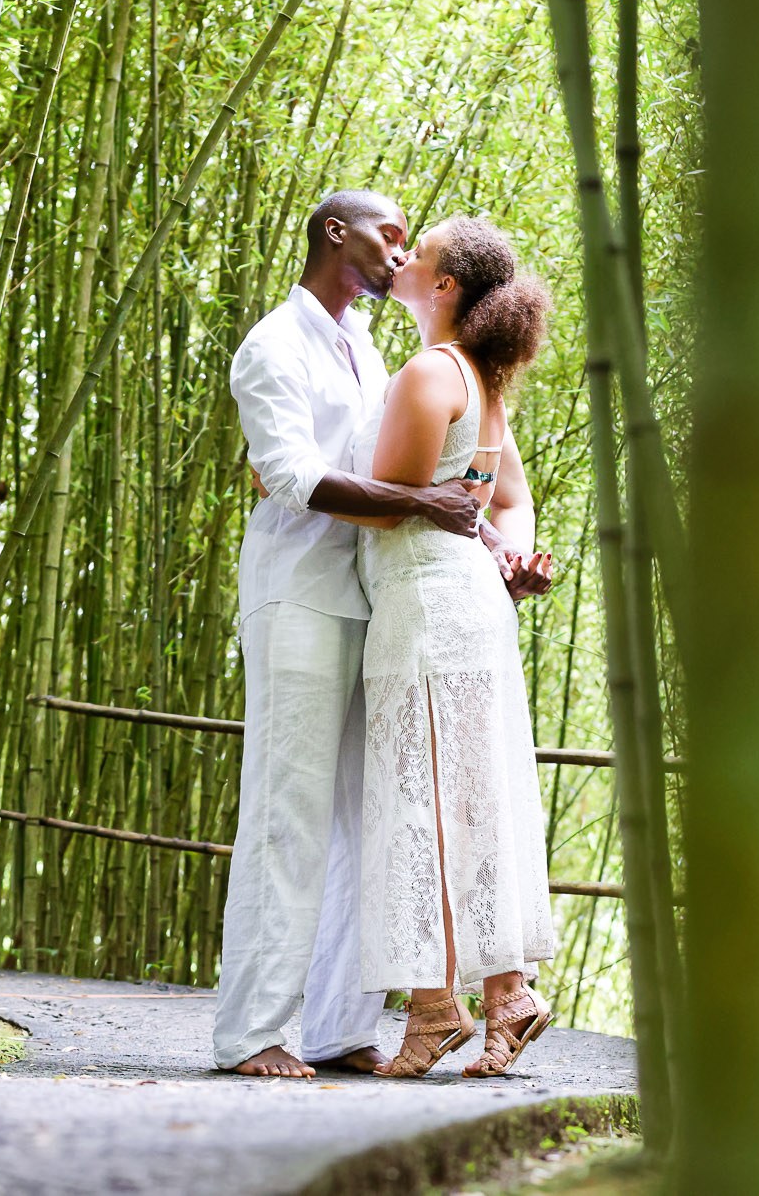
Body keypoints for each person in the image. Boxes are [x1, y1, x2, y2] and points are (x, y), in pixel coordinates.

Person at [215, 191, 549, 1080]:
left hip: (388, 601)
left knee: (377, 818)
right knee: (289, 810)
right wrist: (434, 508)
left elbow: (460, 481)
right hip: (303, 594)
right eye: (389, 234)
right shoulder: (275, 345)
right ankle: (252, 1030)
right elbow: (292, 474)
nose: (400, 252)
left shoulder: (376, 350)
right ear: (337, 233)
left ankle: (341, 1023)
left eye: (413, 242)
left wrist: (485, 537)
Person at [332, 217, 560, 1079]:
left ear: (445, 285)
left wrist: (288, 479)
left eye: (418, 252)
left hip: (427, 601)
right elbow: (510, 500)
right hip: (468, 602)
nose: (402, 257)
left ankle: (437, 1010)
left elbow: (389, 501)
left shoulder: (432, 370)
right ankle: (504, 995)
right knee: (466, 796)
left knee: (421, 796)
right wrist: (509, 558)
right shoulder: (479, 376)